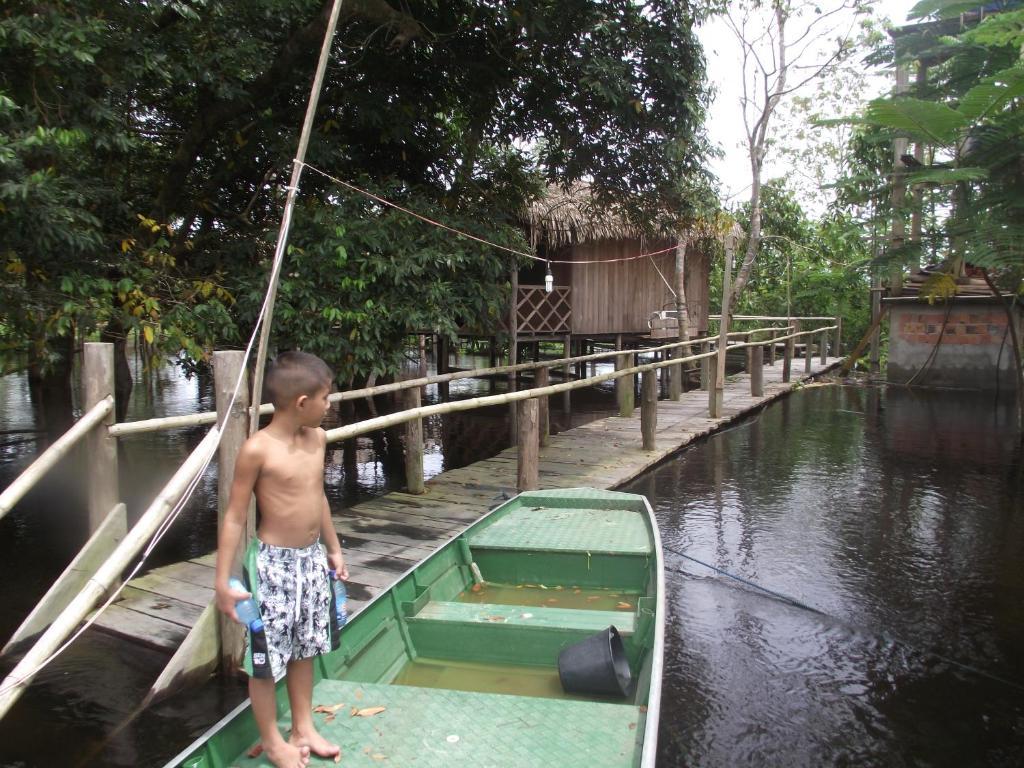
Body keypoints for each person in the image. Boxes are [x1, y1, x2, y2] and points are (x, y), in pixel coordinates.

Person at [215, 350, 348, 768]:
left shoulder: (318, 439)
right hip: (272, 567)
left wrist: (333, 547)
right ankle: (272, 741)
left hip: (310, 561)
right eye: (326, 398)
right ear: (302, 403)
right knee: (266, 659)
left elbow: (317, 497)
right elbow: (236, 515)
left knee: (306, 646)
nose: (331, 405)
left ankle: (303, 727)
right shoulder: (258, 449)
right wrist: (222, 581)